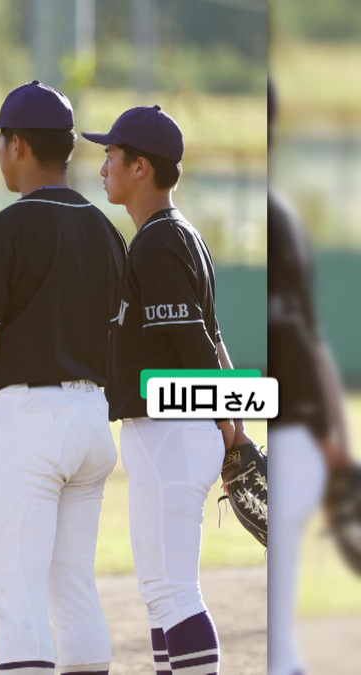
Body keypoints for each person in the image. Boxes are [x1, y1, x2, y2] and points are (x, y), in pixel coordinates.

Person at [0, 80, 125, 675]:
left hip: (26, 427)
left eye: (1, 141)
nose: (1, 152)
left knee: (18, 602)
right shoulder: (106, 231)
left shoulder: (6, 229)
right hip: (91, 420)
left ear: (17, 144)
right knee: (74, 592)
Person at [84, 104, 250, 674]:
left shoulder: (158, 244)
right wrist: (235, 426)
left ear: (141, 167)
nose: (103, 163)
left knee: (174, 592)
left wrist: (230, 427)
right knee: (161, 592)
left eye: (112, 154)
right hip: (175, 432)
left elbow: (195, 343)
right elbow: (213, 336)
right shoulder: (179, 236)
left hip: (172, 431)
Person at [266, 78, 354, 675]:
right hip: (304, 434)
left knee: (275, 641)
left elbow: (295, 338)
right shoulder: (286, 217)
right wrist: (340, 442)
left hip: (290, 433)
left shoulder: (274, 218)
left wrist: (327, 439)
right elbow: (315, 340)